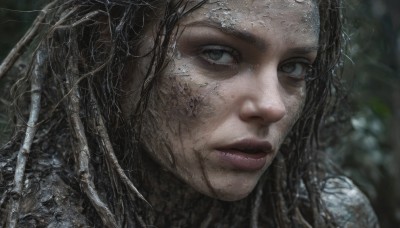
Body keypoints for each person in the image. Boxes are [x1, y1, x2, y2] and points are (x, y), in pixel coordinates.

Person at [0, 0, 379, 227]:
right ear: (109, 49)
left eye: (294, 67)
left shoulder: (324, 216)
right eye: (218, 54)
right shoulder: (23, 211)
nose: (273, 105)